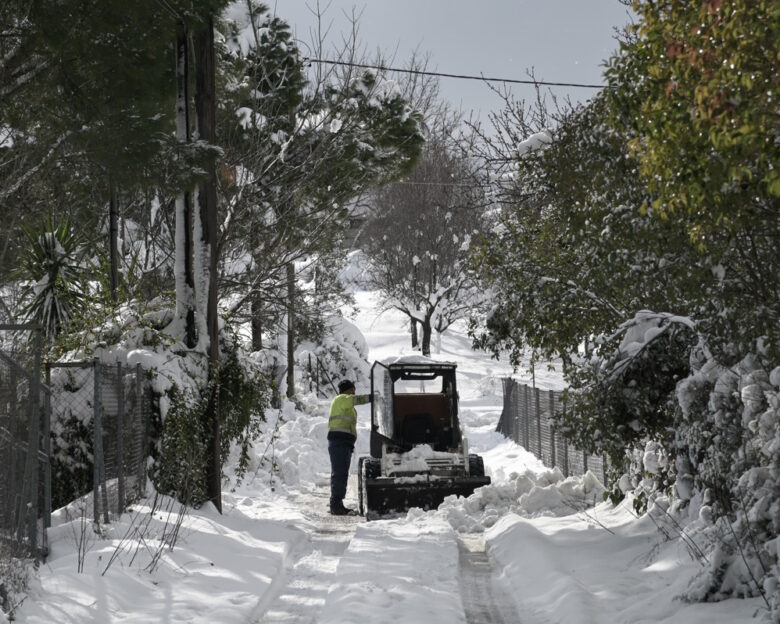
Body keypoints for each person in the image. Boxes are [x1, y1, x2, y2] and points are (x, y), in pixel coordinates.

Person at [328, 379, 371, 515]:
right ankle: (336, 505)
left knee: (340, 473)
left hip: (343, 443)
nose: (354, 392)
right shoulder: (342, 399)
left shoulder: (343, 403)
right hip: (339, 442)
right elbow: (356, 400)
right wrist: (371, 398)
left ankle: (337, 503)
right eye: (353, 389)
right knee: (340, 474)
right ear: (348, 390)